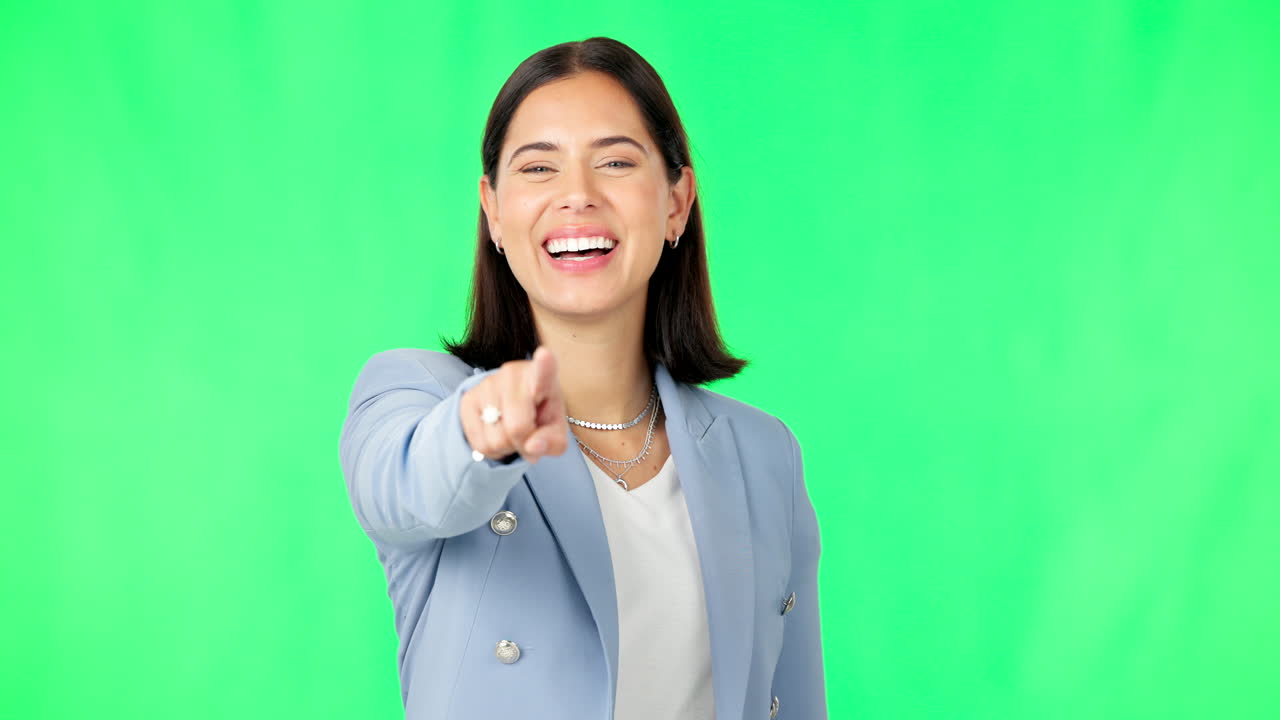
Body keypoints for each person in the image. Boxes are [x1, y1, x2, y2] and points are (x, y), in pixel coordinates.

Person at [339, 36, 825, 720]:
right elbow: (404, 488)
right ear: (494, 211)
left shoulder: (764, 453)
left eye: (616, 162)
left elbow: (795, 700)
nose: (577, 196)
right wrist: (483, 429)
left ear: (676, 202)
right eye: (539, 167)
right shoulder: (417, 393)